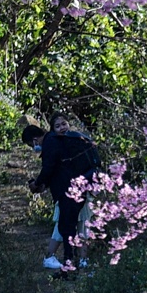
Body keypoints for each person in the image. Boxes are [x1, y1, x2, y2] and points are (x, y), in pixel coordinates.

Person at [31, 114, 101, 274]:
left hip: (75, 191)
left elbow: (52, 169)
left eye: (64, 124)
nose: (62, 128)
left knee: (77, 225)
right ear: (53, 130)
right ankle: (73, 260)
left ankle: (72, 260)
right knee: (69, 226)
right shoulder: (67, 142)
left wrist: (39, 183)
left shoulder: (68, 141)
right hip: (75, 190)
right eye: (58, 126)